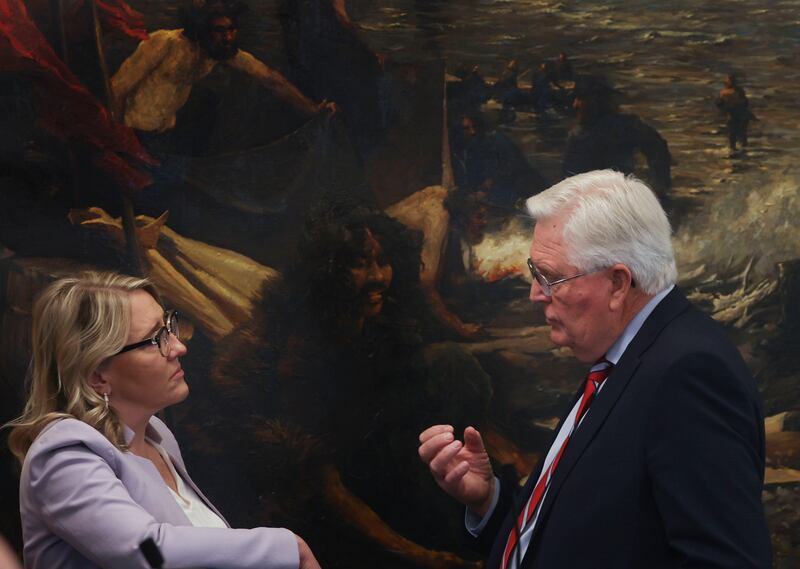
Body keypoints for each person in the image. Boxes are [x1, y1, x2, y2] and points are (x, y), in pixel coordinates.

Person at [418, 170, 772, 568]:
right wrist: (487, 501)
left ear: (618, 283)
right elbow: (592, 537)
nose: (536, 294)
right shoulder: (623, 354)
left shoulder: (689, 374)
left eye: (550, 277)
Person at [200, 198, 491, 568]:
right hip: (305, 508)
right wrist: (423, 557)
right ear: (327, 270)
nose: (378, 277)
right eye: (359, 263)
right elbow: (320, 482)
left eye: (382, 261)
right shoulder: (296, 350)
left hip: (363, 477)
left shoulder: (379, 327)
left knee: (449, 366)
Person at [5, 271, 321, 569]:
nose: (179, 347)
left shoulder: (157, 436)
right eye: (156, 339)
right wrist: (282, 546)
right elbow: (146, 550)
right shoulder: (65, 455)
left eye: (169, 326)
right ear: (98, 375)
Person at [111, 0, 331, 136]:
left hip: (165, 133)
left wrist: (312, 110)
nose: (228, 37)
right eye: (219, 30)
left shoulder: (217, 52)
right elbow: (117, 88)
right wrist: (118, 135)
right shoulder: (164, 42)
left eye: (231, 29)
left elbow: (270, 79)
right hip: (131, 132)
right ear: (201, 30)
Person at [563, 76, 672, 204]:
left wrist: (657, 188)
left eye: (581, 98)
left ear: (596, 101)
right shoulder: (577, 137)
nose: (575, 104)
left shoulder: (624, 126)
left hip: (621, 202)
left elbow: (657, 148)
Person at [716, 73, 753, 151]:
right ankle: (735, 148)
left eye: (731, 80)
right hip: (733, 113)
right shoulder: (724, 92)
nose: (730, 82)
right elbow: (719, 103)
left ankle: (740, 149)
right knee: (734, 132)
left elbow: (745, 102)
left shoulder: (731, 91)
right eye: (729, 80)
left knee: (740, 132)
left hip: (739, 113)